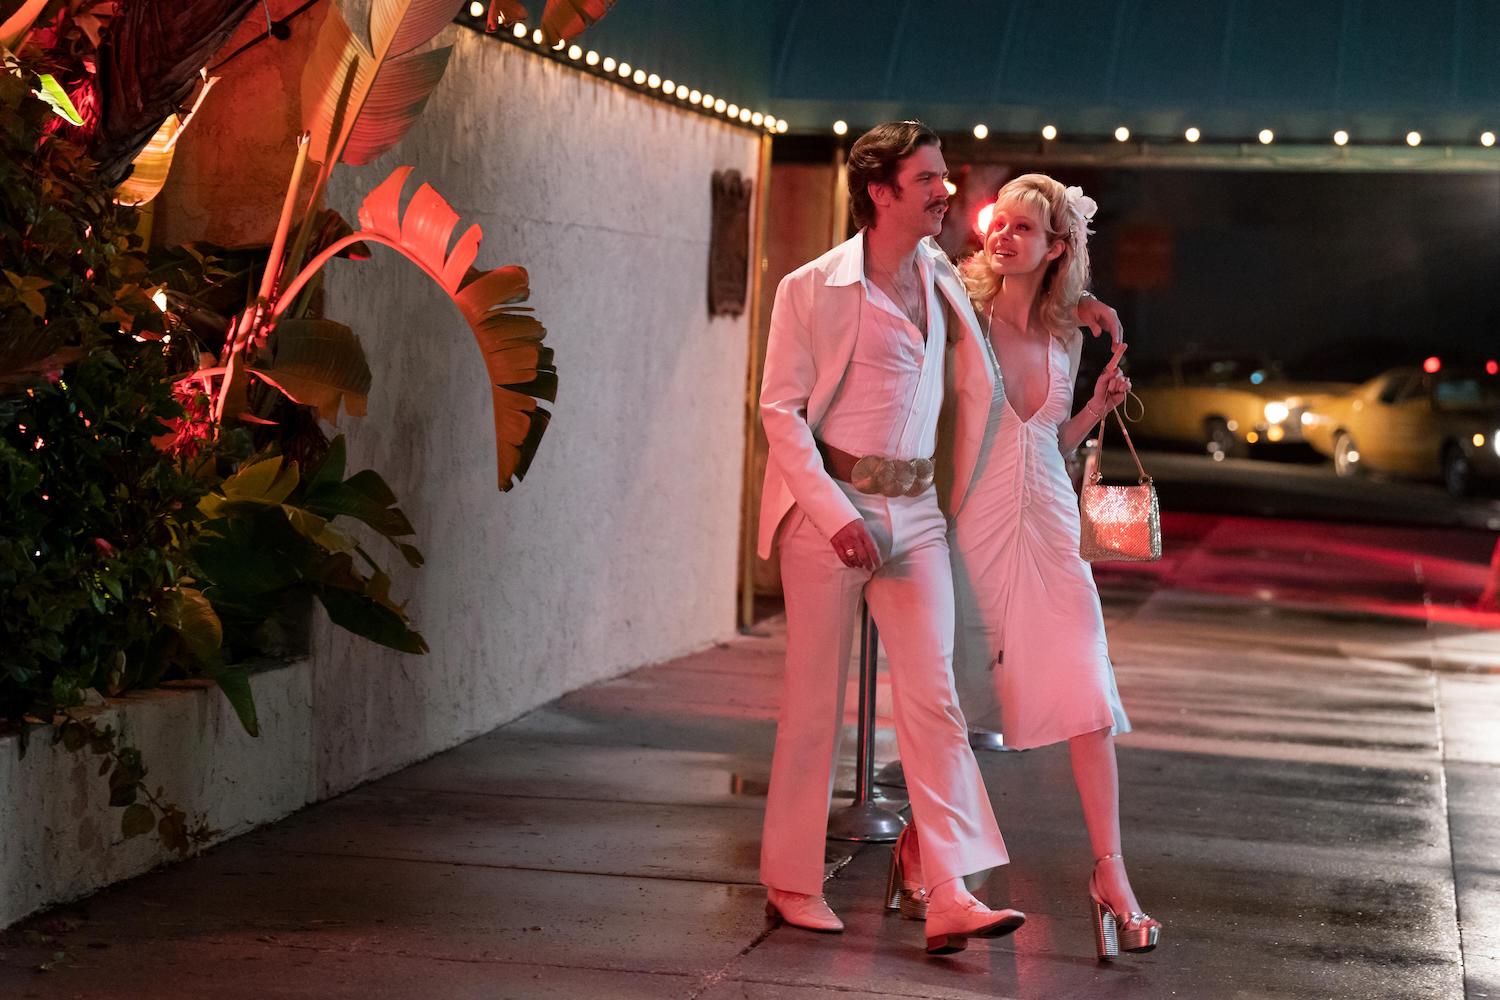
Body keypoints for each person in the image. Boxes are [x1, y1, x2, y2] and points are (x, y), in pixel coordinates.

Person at [755, 123, 1120, 956]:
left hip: (915, 512)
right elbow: (779, 409)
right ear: (881, 192)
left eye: (945, 177)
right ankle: (792, 880)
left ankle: (948, 889)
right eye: (927, 179)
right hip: (830, 508)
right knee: (816, 703)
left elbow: (1019, 310)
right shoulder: (812, 287)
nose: (944, 191)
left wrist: (1081, 305)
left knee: (935, 701)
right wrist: (834, 512)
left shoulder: (946, 281)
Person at [948, 172, 1162, 960]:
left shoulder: (1068, 338)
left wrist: (1098, 408)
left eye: (1023, 229)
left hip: (1050, 525)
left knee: (1086, 692)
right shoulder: (960, 315)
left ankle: (1111, 874)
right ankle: (920, 851)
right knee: (962, 703)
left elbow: (1052, 446)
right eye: (997, 223)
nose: (1001, 235)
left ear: (1056, 247)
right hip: (972, 527)